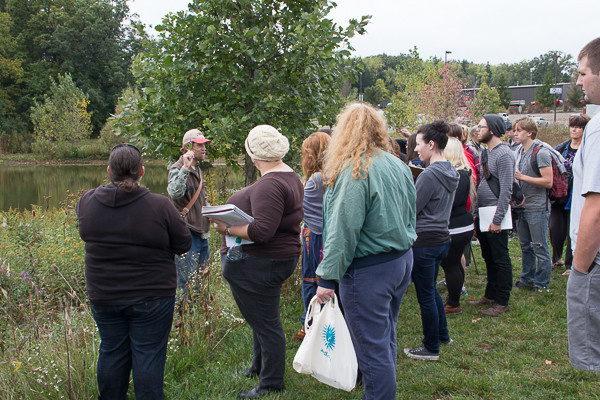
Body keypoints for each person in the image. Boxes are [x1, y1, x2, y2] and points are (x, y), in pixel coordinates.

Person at [315, 103, 416, 400]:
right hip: (400, 260)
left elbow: (342, 230)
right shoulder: (396, 164)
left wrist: (326, 278)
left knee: (373, 348)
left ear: (343, 131)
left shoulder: (354, 170)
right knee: (384, 338)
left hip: (370, 270)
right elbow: (410, 214)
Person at [76, 143, 192, 399]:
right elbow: (183, 244)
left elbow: (86, 233)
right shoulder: (160, 206)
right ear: (142, 171)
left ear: (109, 170)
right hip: (152, 296)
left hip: (104, 294)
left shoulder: (87, 202)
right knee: (148, 355)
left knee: (112, 350)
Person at [211, 125, 303, 398]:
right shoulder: (289, 175)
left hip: (263, 261)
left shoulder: (271, 184)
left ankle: (271, 382)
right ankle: (258, 366)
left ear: (253, 155)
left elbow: (262, 231)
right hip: (274, 258)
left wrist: (224, 228)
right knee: (261, 316)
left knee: (266, 323)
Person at [404, 121, 459, 361]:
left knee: (425, 294)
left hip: (424, 242)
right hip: (441, 239)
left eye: (418, 144)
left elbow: (412, 209)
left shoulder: (429, 176)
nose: (416, 149)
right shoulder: (451, 171)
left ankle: (430, 347)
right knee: (431, 290)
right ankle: (443, 335)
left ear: (431, 144)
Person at [568, 37, 600, 371]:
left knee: (589, 368)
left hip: (594, 258)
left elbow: (596, 205)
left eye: (583, 73)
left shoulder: (598, 129)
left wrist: (579, 268)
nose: (578, 81)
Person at [467, 114, 515, 317]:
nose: (477, 130)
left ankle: (502, 300)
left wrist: (497, 219)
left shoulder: (504, 154)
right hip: (484, 213)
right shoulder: (486, 152)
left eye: (481, 126)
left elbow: (506, 190)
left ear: (493, 129)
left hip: (496, 214)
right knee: (488, 256)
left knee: (500, 258)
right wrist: (477, 213)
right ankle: (490, 293)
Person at [294, 131, 330, 341]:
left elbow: (299, 207)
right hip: (326, 235)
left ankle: (309, 324)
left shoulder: (315, 179)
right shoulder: (332, 175)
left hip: (314, 236)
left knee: (311, 281)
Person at [512, 116, 554, 293]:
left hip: (537, 207)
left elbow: (548, 182)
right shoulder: (519, 152)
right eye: (514, 130)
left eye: (519, 130)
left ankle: (542, 283)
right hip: (522, 207)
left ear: (530, 132)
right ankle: (527, 278)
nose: (515, 134)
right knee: (525, 246)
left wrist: (522, 177)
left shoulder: (541, 152)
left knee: (539, 246)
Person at [167, 128, 212, 290]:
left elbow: (201, 199)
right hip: (186, 232)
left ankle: (198, 312)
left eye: (204, 144)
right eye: (199, 145)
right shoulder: (177, 168)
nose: (203, 148)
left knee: (201, 279)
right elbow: (174, 192)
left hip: (201, 232)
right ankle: (183, 313)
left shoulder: (198, 169)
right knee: (185, 281)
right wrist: (185, 168)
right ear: (188, 148)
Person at [551, 114, 590, 275]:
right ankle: (556, 258)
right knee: (555, 229)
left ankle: (570, 264)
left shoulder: (588, 149)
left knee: (572, 230)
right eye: (572, 126)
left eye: (579, 127)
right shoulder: (562, 148)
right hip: (560, 195)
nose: (574, 129)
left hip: (577, 195)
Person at [440, 138, 475, 316]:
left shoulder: (456, 175)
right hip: (463, 224)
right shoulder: (463, 172)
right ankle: (453, 299)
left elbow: (451, 203)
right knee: (455, 264)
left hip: (455, 226)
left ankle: (453, 303)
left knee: (451, 265)